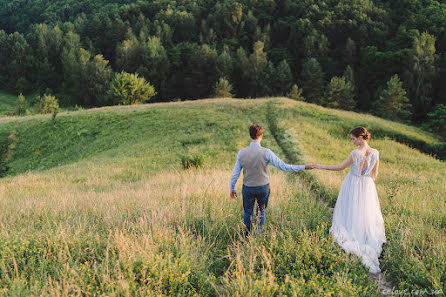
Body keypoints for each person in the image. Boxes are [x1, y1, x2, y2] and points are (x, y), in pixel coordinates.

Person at [313, 126, 386, 274]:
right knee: (365, 213)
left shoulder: (355, 153)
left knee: (351, 210)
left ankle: (353, 236)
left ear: (360, 138)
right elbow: (375, 174)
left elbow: (339, 167)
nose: (352, 141)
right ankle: (365, 237)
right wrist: (366, 182)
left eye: (353, 138)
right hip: (367, 186)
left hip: (352, 184)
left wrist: (319, 166)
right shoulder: (376, 153)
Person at [230, 124, 314, 237]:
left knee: (247, 212)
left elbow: (236, 173)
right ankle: (257, 237)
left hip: (248, 187)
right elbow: (284, 166)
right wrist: (304, 167)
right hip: (263, 187)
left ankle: (247, 237)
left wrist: (232, 188)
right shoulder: (267, 152)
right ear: (261, 136)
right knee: (261, 212)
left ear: (250, 135)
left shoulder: (241, 153)